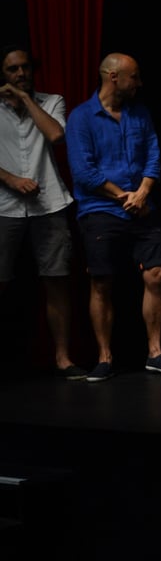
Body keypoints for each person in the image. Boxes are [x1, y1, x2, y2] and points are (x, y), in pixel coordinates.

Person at [65, 52, 161, 381]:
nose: (139, 83)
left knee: (157, 273)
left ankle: (155, 352)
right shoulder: (81, 118)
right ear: (113, 77)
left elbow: (154, 155)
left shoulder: (139, 113)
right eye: (134, 77)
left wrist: (142, 192)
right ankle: (104, 356)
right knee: (101, 281)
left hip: (141, 206)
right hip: (100, 209)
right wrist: (123, 196)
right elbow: (84, 172)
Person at [0, 45, 85, 380]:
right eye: (12, 70)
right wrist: (10, 179)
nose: (21, 74)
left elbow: (55, 134)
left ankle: (63, 358)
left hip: (49, 204)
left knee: (57, 282)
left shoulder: (52, 101)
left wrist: (25, 99)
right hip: (4, 206)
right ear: (2, 73)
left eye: (25, 68)